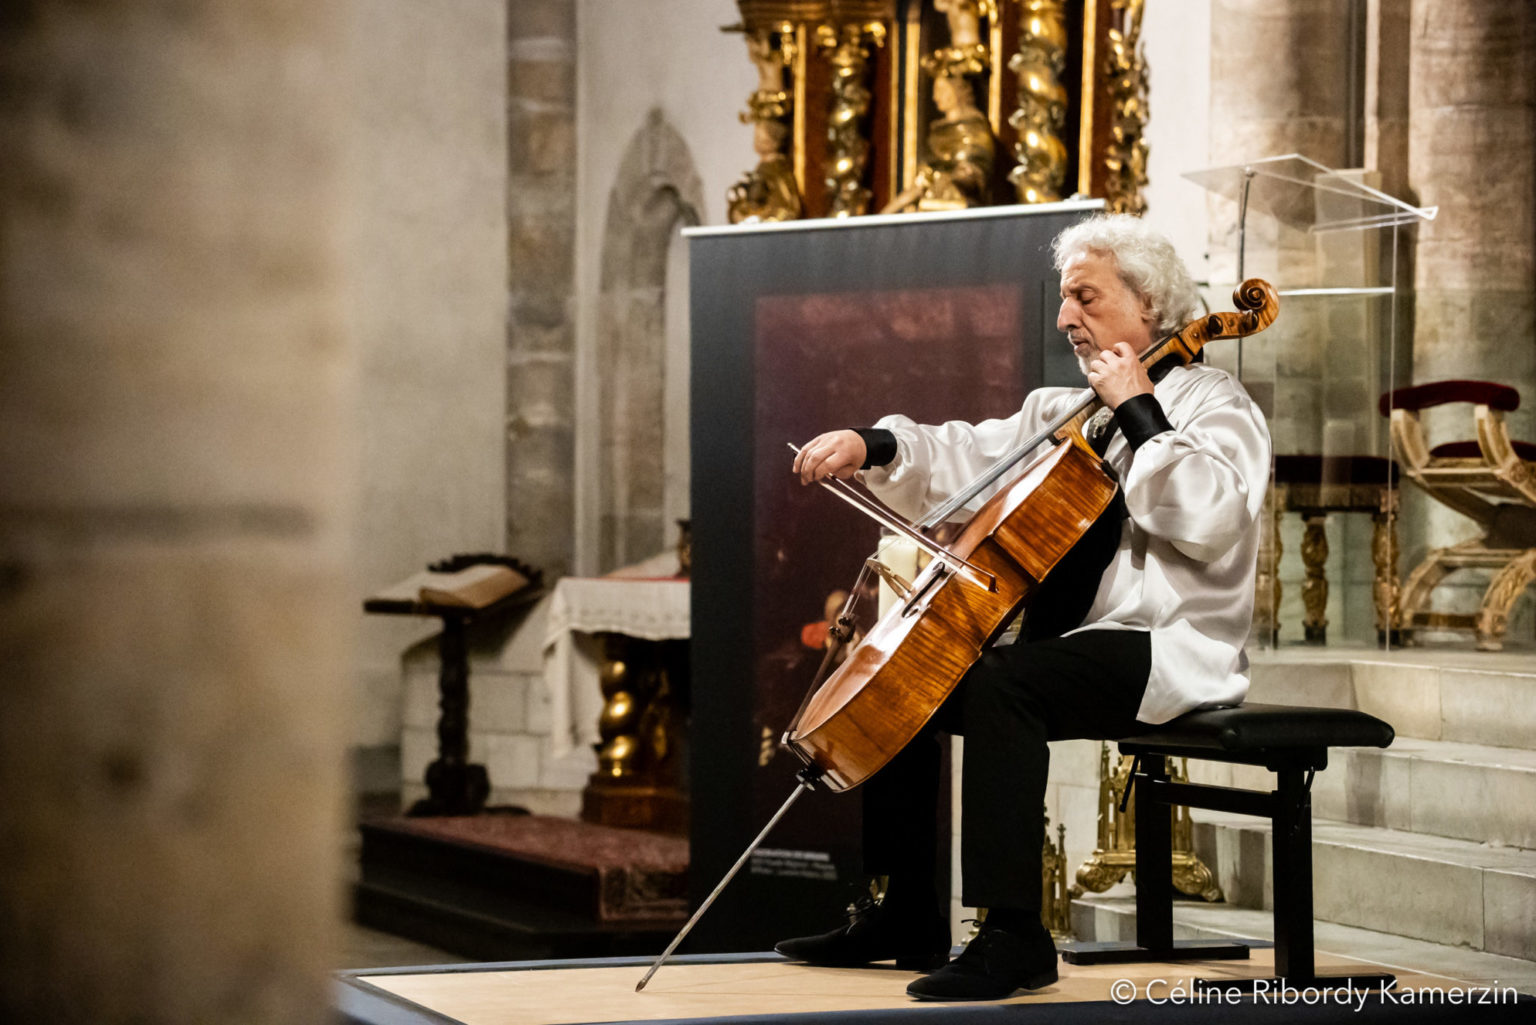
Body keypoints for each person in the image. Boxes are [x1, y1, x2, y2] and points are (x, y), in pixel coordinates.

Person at [780, 214, 1271, 1001]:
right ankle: (903, 912)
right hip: (1077, 641)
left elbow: (1210, 519)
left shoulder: (1219, 406)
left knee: (1003, 683)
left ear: (1148, 305)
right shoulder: (1067, 408)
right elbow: (965, 452)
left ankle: (1015, 933)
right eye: (1064, 297)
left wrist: (1142, 409)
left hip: (1171, 644)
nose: (1065, 316)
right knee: (916, 676)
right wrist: (871, 443)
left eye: (1085, 296)